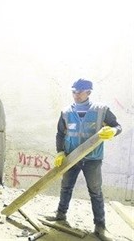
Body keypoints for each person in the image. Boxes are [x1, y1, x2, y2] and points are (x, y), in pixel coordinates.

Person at [46, 78, 122, 241]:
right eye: (73, 91)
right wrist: (60, 152)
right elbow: (60, 133)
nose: (76, 94)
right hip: (71, 158)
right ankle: (60, 216)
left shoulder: (101, 110)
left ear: (89, 92)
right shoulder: (66, 112)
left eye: (79, 92)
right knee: (66, 187)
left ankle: (100, 227)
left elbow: (117, 126)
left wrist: (113, 132)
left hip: (92, 159)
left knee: (95, 192)